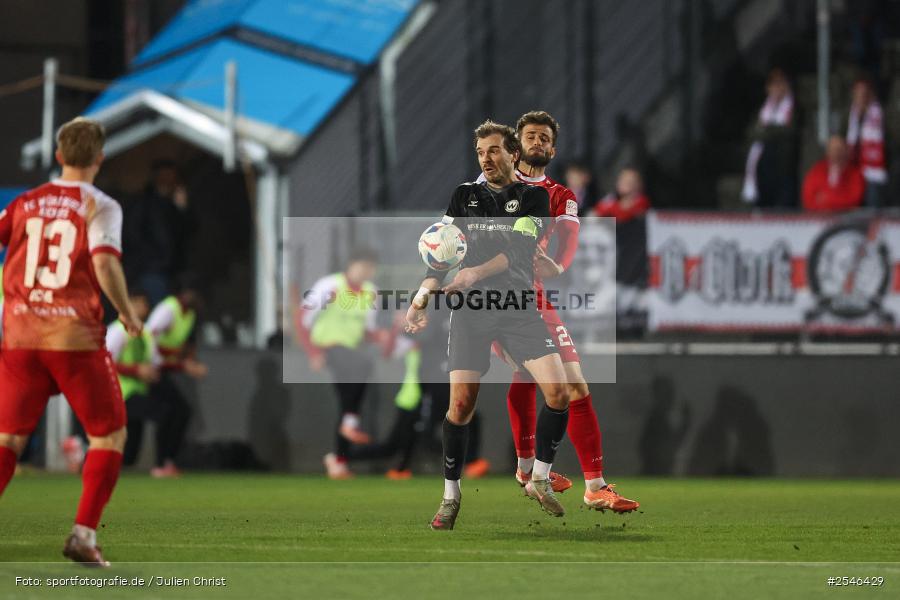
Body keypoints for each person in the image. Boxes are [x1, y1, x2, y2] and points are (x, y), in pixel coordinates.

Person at [406, 120, 571, 530]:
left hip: (518, 307)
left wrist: (473, 274)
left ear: (513, 154)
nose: (487, 159)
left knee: (560, 391)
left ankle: (539, 477)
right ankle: (450, 496)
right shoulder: (464, 196)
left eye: (494, 150)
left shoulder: (533, 199)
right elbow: (441, 256)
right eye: (481, 153)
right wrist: (422, 295)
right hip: (471, 313)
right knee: (460, 407)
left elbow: (517, 253)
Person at [0, 117, 142, 566]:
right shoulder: (100, 205)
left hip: (21, 336)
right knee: (108, 435)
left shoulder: (26, 202)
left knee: (7, 439)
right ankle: (82, 536)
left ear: (58, 156)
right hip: (73, 339)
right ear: (100, 158)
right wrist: (126, 309)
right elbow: (104, 264)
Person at [491, 112, 638, 511]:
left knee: (572, 384)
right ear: (517, 144)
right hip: (496, 301)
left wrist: (559, 264)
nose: (537, 142)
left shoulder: (561, 196)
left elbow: (569, 239)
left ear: (552, 149)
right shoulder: (494, 183)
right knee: (539, 376)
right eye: (530, 136)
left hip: (537, 300)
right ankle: (540, 473)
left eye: (544, 138)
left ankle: (589, 485)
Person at [294, 248, 390, 479]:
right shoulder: (329, 285)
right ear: (351, 264)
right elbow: (302, 319)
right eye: (362, 265)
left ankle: (338, 460)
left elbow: (366, 331)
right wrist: (312, 352)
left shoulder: (371, 293)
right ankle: (349, 423)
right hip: (330, 348)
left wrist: (380, 336)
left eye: (370, 267)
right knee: (362, 367)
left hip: (351, 354)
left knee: (348, 401)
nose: (366, 271)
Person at [144, 277, 208, 477]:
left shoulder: (189, 314)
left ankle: (166, 461)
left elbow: (184, 345)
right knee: (172, 412)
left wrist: (190, 361)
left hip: (165, 368)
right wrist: (182, 365)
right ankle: (161, 462)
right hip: (150, 368)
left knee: (178, 412)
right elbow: (149, 336)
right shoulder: (168, 309)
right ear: (186, 293)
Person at [128, 160, 197, 306]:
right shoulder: (145, 203)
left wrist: (183, 210)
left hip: (174, 272)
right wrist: (152, 258)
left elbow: (190, 233)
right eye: (165, 176)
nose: (168, 181)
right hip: (152, 270)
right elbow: (133, 234)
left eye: (172, 177)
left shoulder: (175, 205)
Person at [106, 290, 162, 467]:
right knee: (163, 414)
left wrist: (152, 372)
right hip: (118, 393)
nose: (142, 308)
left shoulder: (145, 333)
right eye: (137, 303)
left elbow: (154, 361)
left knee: (131, 446)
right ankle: (163, 462)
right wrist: (137, 370)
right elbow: (105, 362)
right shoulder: (117, 330)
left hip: (138, 391)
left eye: (144, 304)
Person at [596, 167, 651, 326]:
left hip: (635, 265)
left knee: (632, 301)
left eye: (631, 182)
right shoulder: (611, 199)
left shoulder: (642, 201)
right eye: (624, 181)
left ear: (638, 185)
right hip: (614, 262)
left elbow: (624, 214)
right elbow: (599, 211)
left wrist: (614, 210)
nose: (626, 185)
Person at [741, 68, 800, 208]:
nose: (777, 88)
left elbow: (788, 132)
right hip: (762, 169)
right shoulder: (761, 110)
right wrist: (770, 131)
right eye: (774, 84)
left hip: (784, 168)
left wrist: (765, 130)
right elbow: (751, 133)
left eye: (781, 83)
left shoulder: (795, 108)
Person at [847, 78, 887, 207]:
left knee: (872, 202)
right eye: (858, 93)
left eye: (865, 93)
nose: (861, 97)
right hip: (852, 166)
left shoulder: (880, 113)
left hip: (873, 168)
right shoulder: (848, 114)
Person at [802, 135, 865, 212]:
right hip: (819, 217)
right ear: (827, 152)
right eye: (832, 150)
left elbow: (854, 200)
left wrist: (826, 199)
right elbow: (808, 199)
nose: (836, 154)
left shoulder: (855, 174)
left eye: (839, 150)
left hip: (846, 218)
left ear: (846, 151)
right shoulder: (817, 171)